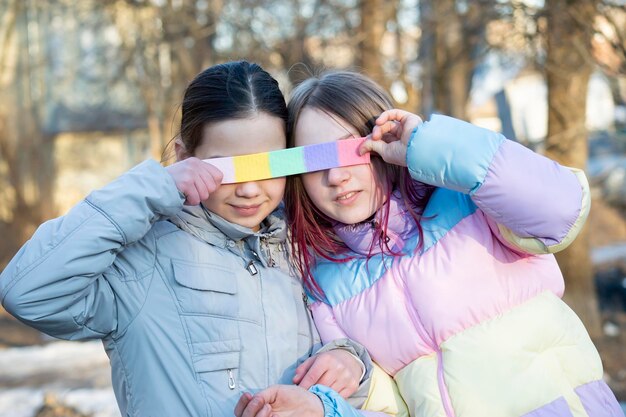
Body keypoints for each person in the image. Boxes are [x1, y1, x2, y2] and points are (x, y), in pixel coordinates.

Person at [236, 70, 624, 417]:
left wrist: (429, 146)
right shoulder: (322, 283)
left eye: (350, 150)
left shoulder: (467, 200)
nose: (336, 176)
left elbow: (562, 209)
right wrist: (337, 396)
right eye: (315, 162)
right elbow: (391, 408)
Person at [0, 62, 374, 417]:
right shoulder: (143, 258)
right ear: (184, 157)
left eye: (267, 165)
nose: (248, 189)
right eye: (226, 167)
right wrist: (152, 188)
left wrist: (348, 361)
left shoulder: (303, 249)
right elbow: (27, 292)